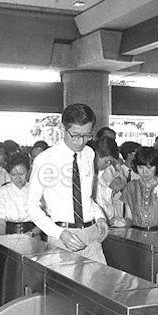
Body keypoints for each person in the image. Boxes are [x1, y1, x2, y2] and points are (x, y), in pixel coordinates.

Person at [27, 103, 109, 263]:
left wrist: (100, 217)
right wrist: (59, 233)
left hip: (92, 237)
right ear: (63, 128)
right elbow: (31, 206)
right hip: (63, 238)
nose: (80, 142)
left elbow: (87, 198)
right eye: (75, 135)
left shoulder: (89, 153)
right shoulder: (45, 160)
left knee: (100, 286)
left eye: (87, 136)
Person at [123, 147, 158, 237]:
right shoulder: (130, 187)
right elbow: (128, 217)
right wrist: (122, 223)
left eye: (149, 167)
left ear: (157, 166)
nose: (145, 172)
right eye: (141, 167)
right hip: (136, 237)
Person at [0, 153, 39, 235]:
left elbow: (44, 220)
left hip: (33, 233)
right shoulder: (2, 192)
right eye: (13, 175)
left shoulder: (36, 190)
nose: (18, 178)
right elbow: (1, 222)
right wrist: (3, 240)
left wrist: (31, 234)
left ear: (29, 171)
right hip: (9, 234)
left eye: (21, 174)